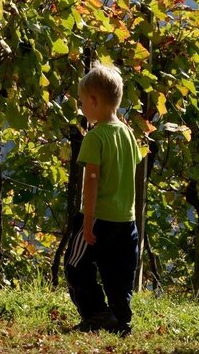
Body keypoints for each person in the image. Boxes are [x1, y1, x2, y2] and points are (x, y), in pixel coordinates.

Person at [64, 64, 140, 336]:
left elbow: (92, 181)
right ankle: (121, 320)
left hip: (99, 218)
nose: (83, 107)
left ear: (94, 102)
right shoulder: (128, 134)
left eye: (83, 102)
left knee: (75, 265)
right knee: (119, 273)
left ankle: (96, 312)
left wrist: (87, 220)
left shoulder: (95, 138)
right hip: (126, 220)